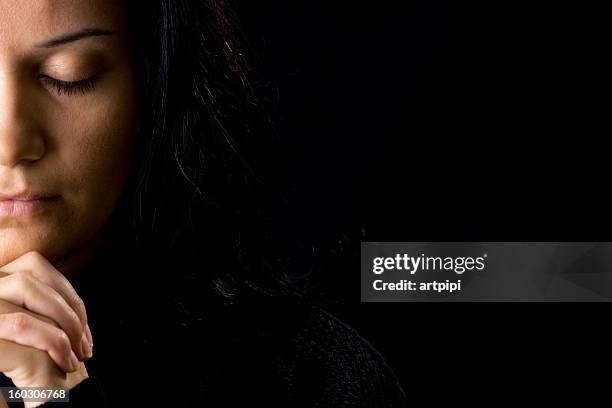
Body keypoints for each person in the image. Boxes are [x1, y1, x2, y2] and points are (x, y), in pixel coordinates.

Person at [0, 1, 407, 406]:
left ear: (153, 87)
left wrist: (58, 397)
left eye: (70, 76)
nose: (12, 144)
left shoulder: (304, 379)